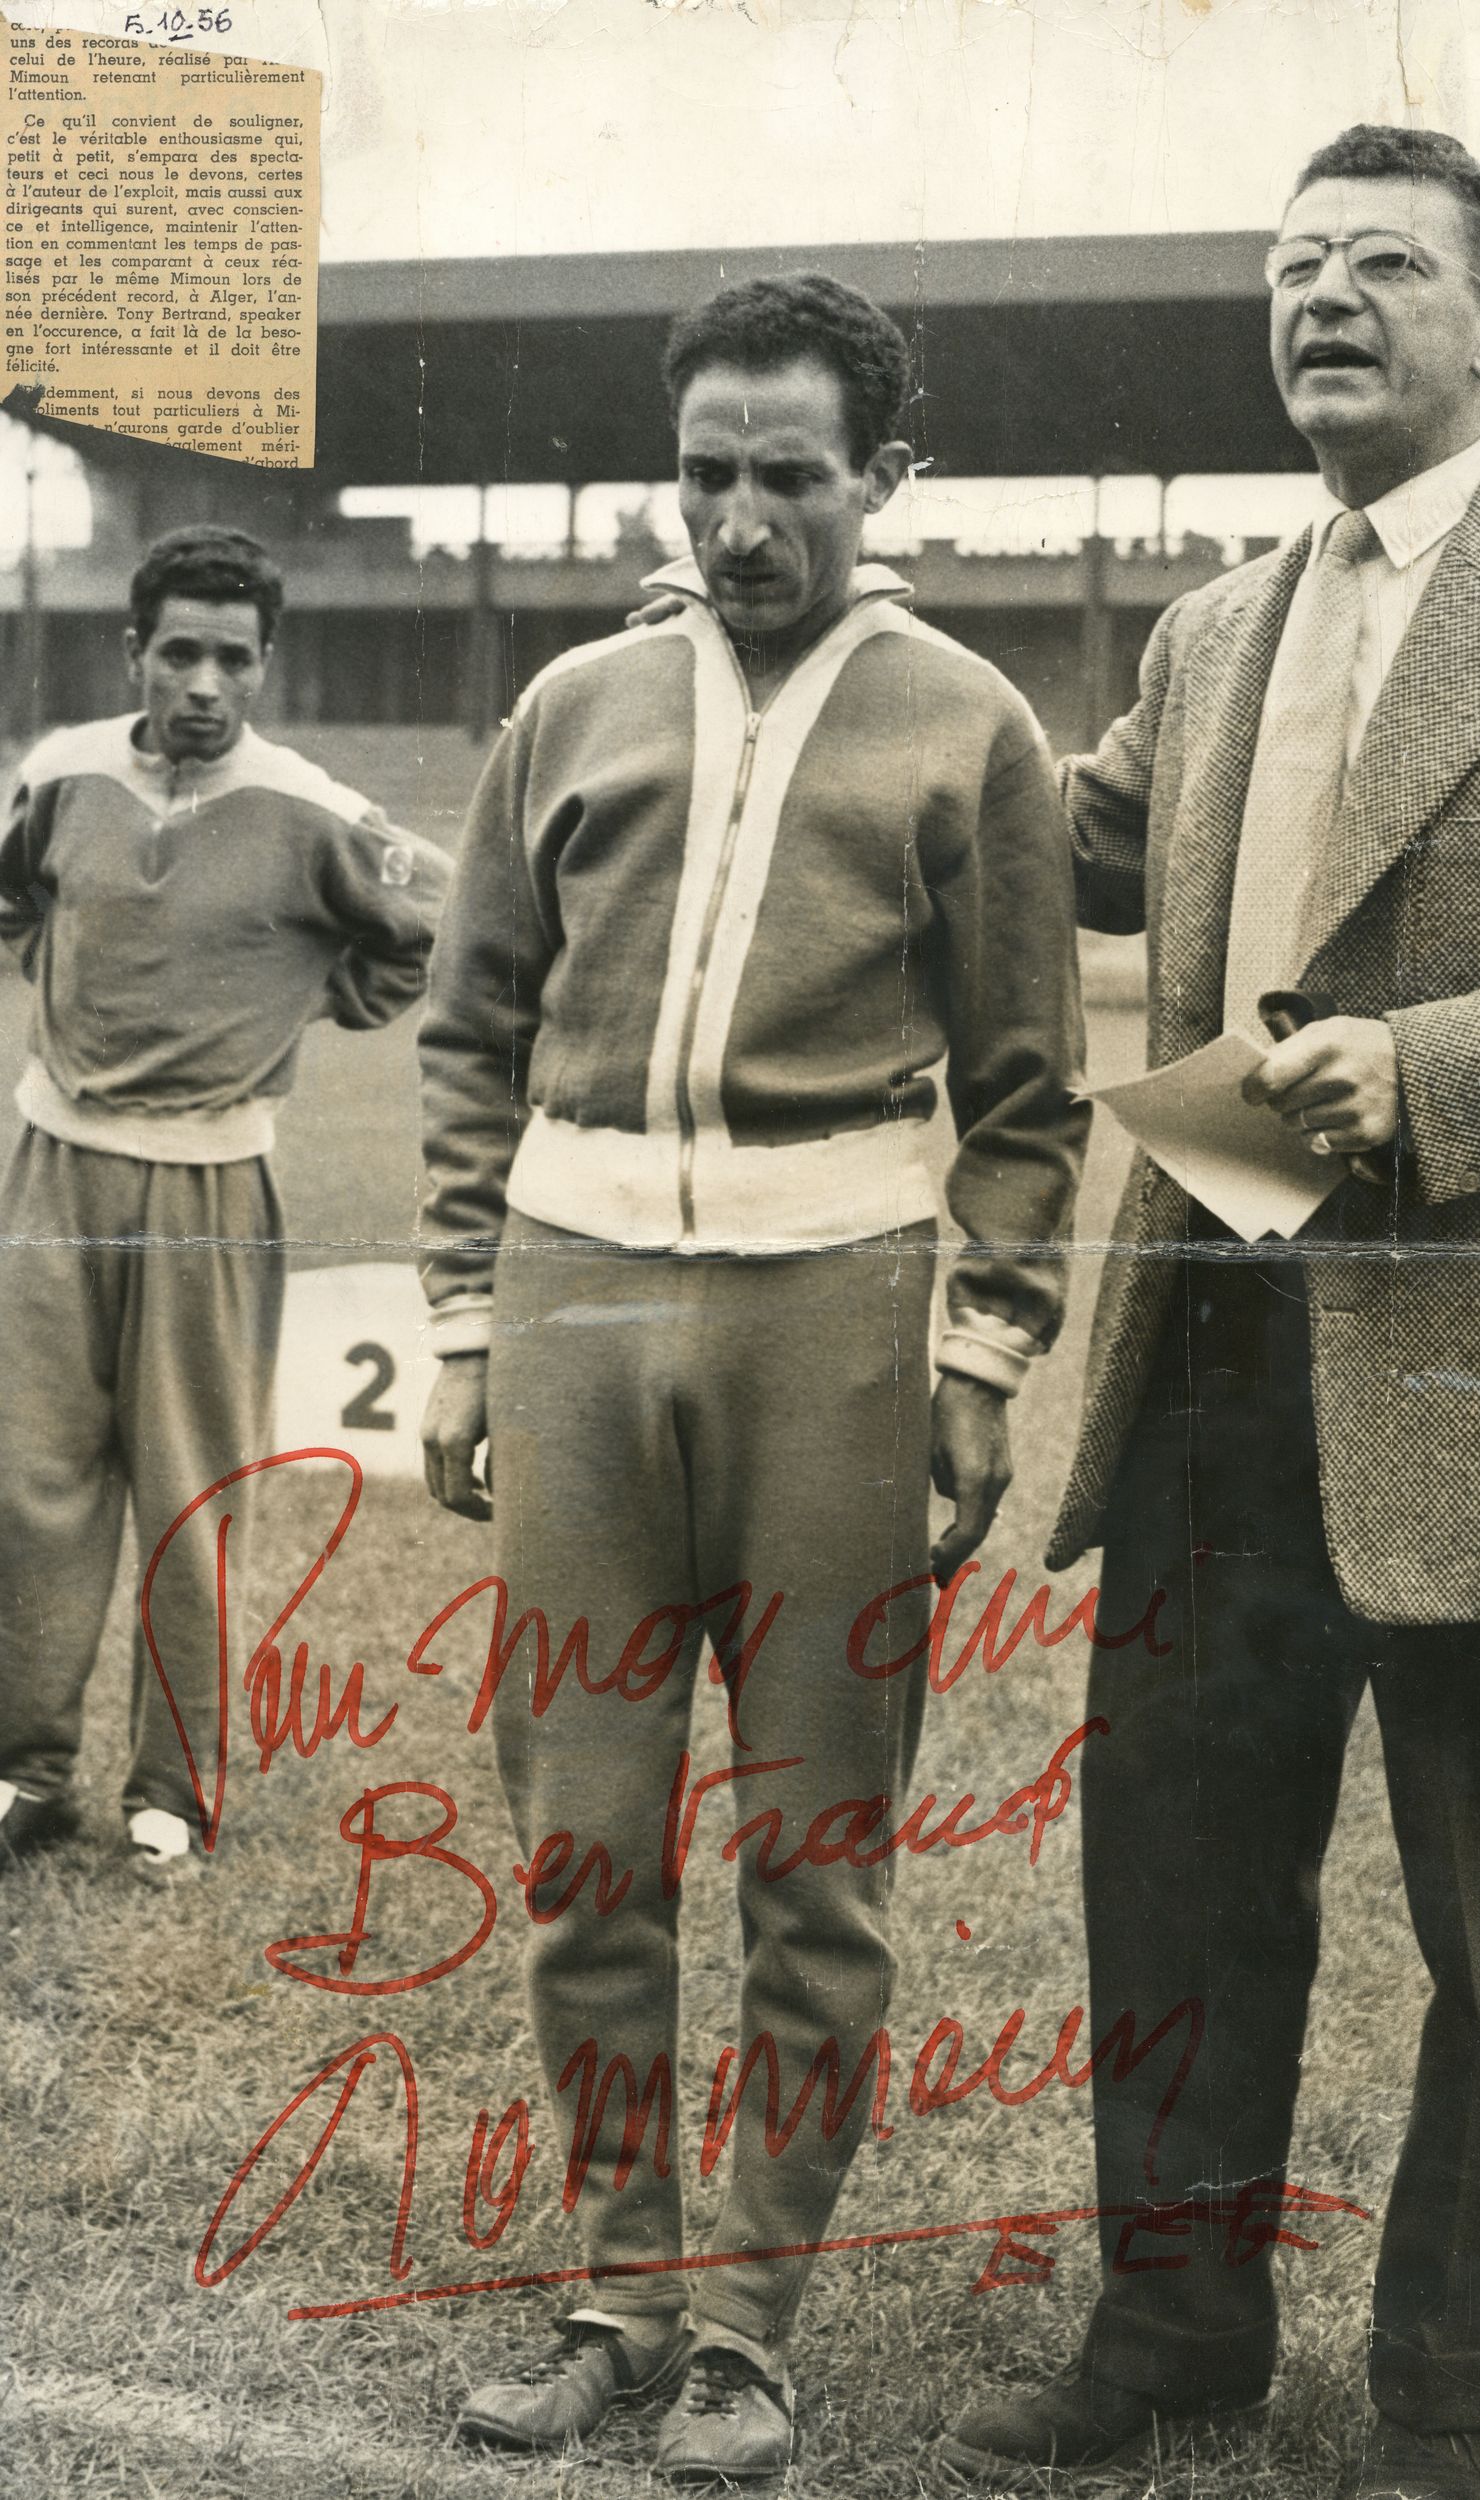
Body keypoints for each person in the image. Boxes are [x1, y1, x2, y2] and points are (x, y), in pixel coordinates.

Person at [946, 126, 1480, 2500]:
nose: (1322, 299)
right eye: (1292, 265)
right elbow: (1051, 843)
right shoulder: (1212, 627)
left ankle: (1449, 2398)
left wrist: (1426, 1073)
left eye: (1380, 269)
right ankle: (1167, 2333)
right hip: (1217, 1344)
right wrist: (837, 692)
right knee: (1174, 1870)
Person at [416, 273, 1087, 2479]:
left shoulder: (962, 716)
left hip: (834, 1308)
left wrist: (975, 1358)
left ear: (882, 477)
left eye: (788, 471)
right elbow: (469, 1030)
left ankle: (745, 2324)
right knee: (582, 1843)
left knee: (817, 1854)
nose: (739, 515)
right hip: (575, 1295)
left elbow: (1021, 1086)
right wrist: (450, 1322)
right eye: (705, 469)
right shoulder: (578, 698)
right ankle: (616, 2285)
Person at [0, 524, 451, 1886]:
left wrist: (302, 995)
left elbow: (421, 931)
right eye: (179, 652)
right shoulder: (63, 771)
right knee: (32, 1480)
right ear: (133, 651)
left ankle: (172, 1794)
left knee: (191, 1493)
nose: (204, 682)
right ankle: (26, 1771)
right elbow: (14, 899)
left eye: (232, 659)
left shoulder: (311, 806)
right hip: (52, 1173)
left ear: (267, 667)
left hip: (209, 1178)